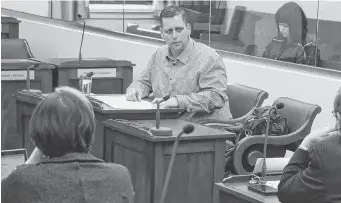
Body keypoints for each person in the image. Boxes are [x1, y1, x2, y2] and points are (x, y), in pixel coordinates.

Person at [2, 87, 134, 203]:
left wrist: (30, 161)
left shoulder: (22, 180)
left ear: (38, 131)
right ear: (90, 129)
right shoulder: (120, 177)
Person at [126, 5, 232, 124]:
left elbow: (216, 97)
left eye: (179, 29)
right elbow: (144, 82)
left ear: (188, 29)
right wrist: (136, 89)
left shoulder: (209, 58)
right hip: (171, 125)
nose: (175, 36)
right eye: (169, 31)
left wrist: (178, 101)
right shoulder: (159, 54)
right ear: (162, 33)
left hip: (210, 131)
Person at [263, 2, 321, 66]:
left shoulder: (309, 48)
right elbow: (262, 62)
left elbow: (304, 73)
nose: (281, 30)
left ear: (295, 26)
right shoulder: (276, 41)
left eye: (285, 26)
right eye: (280, 25)